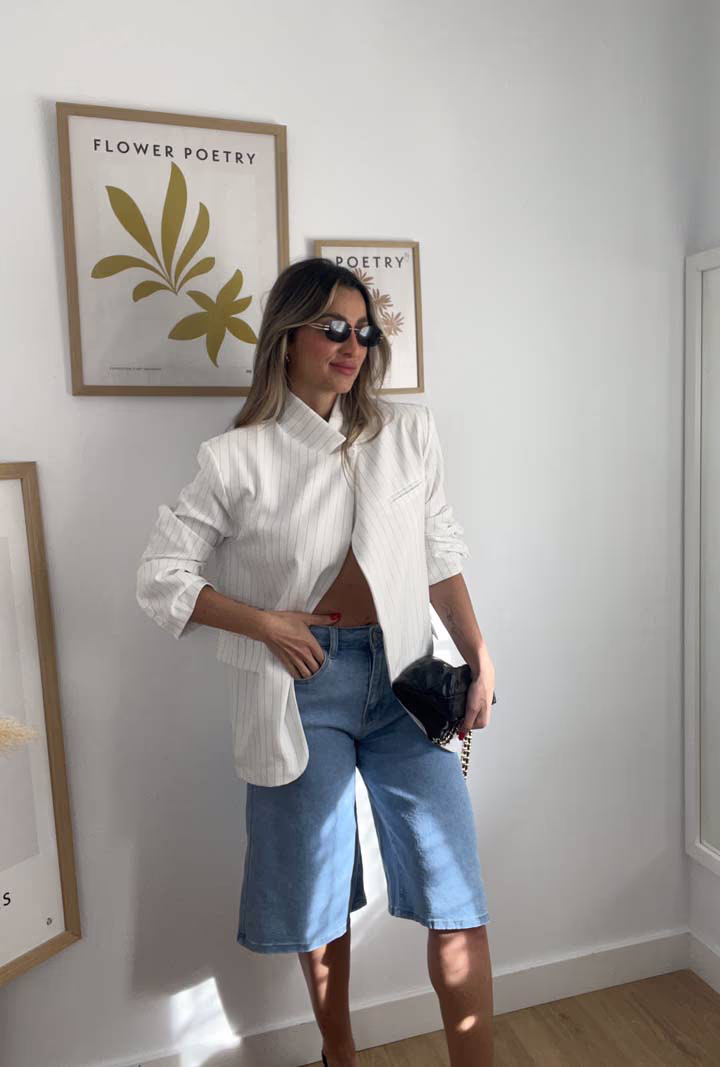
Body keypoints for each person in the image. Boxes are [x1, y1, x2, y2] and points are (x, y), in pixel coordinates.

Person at [136, 257, 497, 1067]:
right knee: (320, 891)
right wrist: (263, 622)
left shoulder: (406, 435)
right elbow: (160, 577)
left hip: (407, 680)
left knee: (456, 891)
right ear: (287, 335)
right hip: (301, 687)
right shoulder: (236, 458)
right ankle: (340, 1053)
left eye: (363, 331)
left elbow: (438, 551)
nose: (351, 345)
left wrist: (478, 651)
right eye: (333, 327)